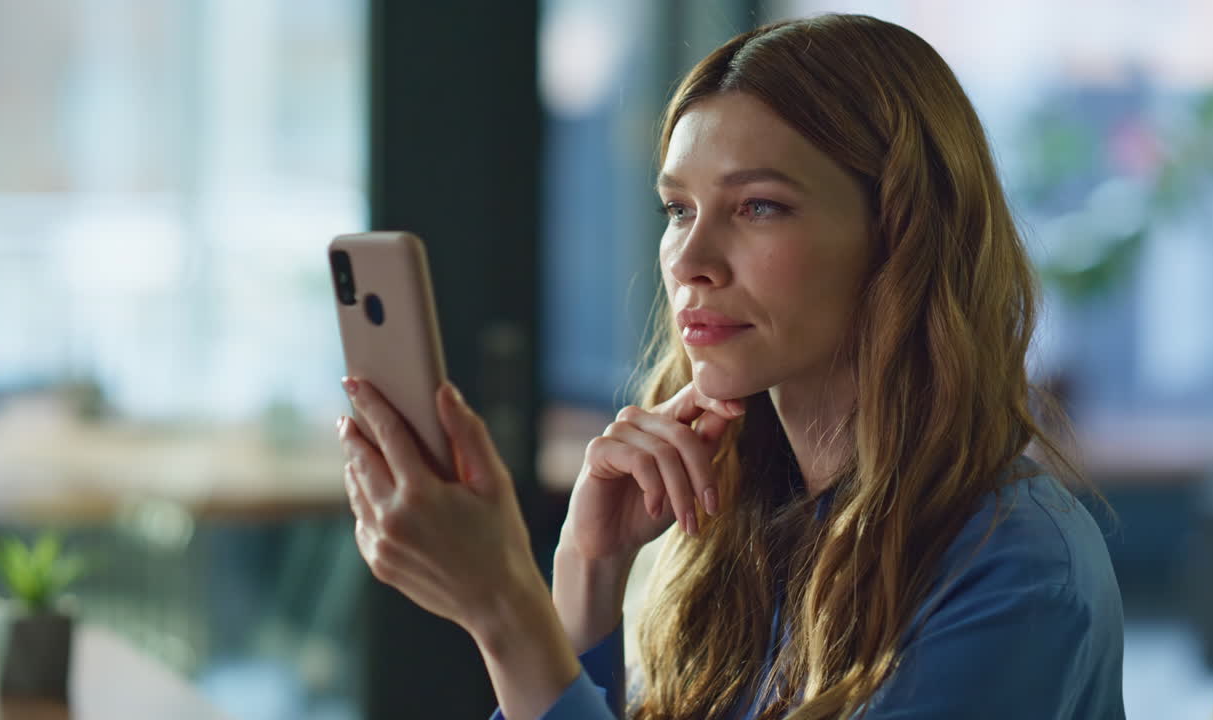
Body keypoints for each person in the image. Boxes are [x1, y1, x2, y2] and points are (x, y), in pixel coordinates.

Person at [335, 12, 1126, 720]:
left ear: (902, 239)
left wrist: (506, 614)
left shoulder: (1016, 572)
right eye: (678, 209)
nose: (690, 260)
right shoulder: (752, 528)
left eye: (759, 206)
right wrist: (588, 572)